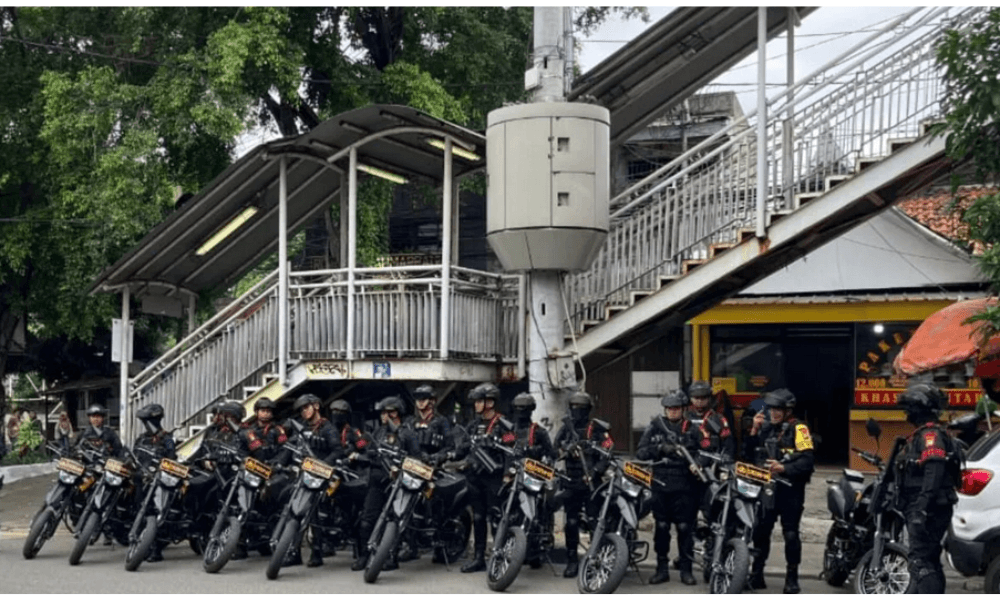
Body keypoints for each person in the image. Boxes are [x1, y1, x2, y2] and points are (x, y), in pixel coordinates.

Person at [742, 389, 814, 594]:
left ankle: (792, 578)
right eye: (771, 409)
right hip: (765, 489)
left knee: (790, 534)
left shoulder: (799, 429)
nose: (773, 413)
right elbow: (747, 456)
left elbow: (808, 461)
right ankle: (757, 574)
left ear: (788, 410)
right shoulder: (764, 428)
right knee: (760, 532)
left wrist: (785, 468)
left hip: (790, 490)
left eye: (778, 410)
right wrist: (754, 431)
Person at [896, 382, 962, 594]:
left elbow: (933, 471)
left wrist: (921, 508)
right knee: (930, 560)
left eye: (909, 409)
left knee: (921, 561)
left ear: (918, 410)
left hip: (929, 508)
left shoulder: (930, 436)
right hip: (930, 506)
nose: (906, 414)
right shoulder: (923, 435)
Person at [636, 390, 700, 585]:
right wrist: (659, 449)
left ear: (683, 410)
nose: (673, 412)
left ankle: (686, 570)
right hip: (661, 484)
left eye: (676, 409)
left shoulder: (692, 429)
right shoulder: (655, 427)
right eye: (670, 409)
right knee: (662, 528)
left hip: (685, 485)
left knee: (684, 528)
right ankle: (661, 569)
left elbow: (704, 452)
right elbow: (641, 453)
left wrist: (697, 463)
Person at [353, 395, 419, 572]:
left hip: (399, 484)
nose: (383, 416)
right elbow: (369, 452)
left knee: (396, 520)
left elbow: (417, 457)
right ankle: (364, 556)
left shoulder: (407, 433)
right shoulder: (379, 432)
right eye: (382, 412)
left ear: (396, 413)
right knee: (367, 520)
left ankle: (391, 556)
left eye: (387, 412)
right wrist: (365, 455)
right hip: (377, 481)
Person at [454, 382, 514, 573]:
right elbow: (461, 449)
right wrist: (447, 455)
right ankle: (479, 558)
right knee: (478, 517)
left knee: (496, 518)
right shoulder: (474, 425)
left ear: (489, 402)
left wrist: (507, 474)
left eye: (479, 401)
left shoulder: (503, 424)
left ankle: (499, 558)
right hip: (475, 478)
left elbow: (510, 452)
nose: (476, 405)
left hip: (494, 479)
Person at [553, 390, 614, 578]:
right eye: (574, 408)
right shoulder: (566, 428)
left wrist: (596, 471)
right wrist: (566, 449)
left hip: (592, 483)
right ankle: (572, 560)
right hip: (571, 481)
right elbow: (555, 449)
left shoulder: (597, 428)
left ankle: (596, 558)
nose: (577, 412)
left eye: (581, 408)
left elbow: (608, 451)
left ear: (588, 410)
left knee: (595, 522)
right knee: (571, 522)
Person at [283, 393, 339, 567]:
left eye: (306, 408)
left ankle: (317, 553)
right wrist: (278, 462)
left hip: (320, 476)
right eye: (301, 410)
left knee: (315, 515)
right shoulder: (303, 429)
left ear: (316, 406)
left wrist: (323, 465)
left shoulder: (328, 428)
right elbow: (290, 449)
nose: (304, 412)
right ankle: (294, 553)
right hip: (303, 475)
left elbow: (337, 450)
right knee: (294, 510)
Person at [131, 403, 177, 562]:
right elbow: (134, 457)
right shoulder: (141, 439)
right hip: (140, 480)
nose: (146, 425)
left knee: (158, 514)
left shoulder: (167, 439)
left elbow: (172, 460)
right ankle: (138, 544)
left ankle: (155, 549)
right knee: (139, 510)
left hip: (158, 483)